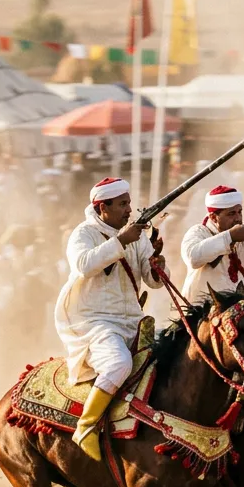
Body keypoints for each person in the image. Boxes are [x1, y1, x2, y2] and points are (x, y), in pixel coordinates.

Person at [54, 177, 166, 460]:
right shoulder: (84, 233)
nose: (129, 209)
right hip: (93, 322)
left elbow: (152, 281)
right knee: (119, 364)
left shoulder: (135, 235)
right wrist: (121, 241)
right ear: (102, 207)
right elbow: (84, 266)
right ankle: (86, 427)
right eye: (122, 204)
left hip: (132, 321)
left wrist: (157, 268)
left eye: (129, 202)